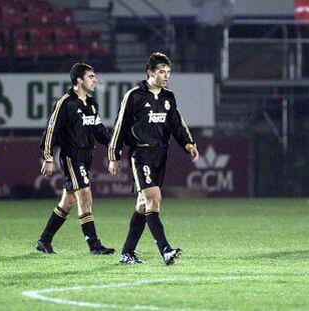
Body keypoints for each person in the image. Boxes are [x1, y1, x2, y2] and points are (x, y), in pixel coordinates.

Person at [108, 52, 199, 265]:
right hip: (141, 154)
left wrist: (188, 143)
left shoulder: (169, 97)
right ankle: (165, 250)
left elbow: (176, 123)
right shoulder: (134, 96)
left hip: (161, 155)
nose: (166, 76)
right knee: (154, 198)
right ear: (150, 72)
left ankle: (127, 252)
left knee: (143, 205)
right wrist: (114, 155)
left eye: (168, 72)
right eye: (161, 72)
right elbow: (119, 125)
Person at [36, 63, 115, 255]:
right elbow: (51, 130)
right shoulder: (65, 103)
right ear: (79, 80)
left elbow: (98, 130)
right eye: (91, 76)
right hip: (72, 157)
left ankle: (44, 241)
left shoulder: (92, 104)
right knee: (85, 196)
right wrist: (47, 157)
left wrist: (114, 144)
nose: (95, 80)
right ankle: (94, 245)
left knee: (68, 201)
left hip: (86, 157)